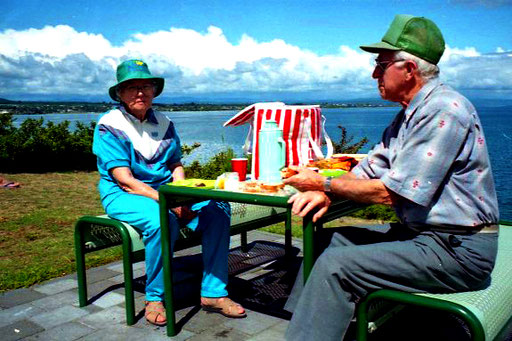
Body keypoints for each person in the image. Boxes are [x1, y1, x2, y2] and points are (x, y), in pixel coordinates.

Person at [283, 14, 499, 340]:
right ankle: (311, 327)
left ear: (409, 70)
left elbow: (392, 194)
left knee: (336, 266)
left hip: (458, 250)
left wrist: (321, 183)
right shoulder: (408, 115)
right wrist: (328, 193)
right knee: (326, 241)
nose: (373, 74)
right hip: (426, 237)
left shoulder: (444, 110)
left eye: (381, 65)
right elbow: (370, 167)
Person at [92, 59, 245, 326]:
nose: (140, 92)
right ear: (119, 93)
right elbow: (125, 180)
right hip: (123, 194)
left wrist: (181, 193)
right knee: (162, 220)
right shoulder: (109, 125)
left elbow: (175, 164)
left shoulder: (164, 122)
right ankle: (155, 297)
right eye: (131, 87)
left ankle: (213, 293)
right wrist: (170, 202)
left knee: (218, 208)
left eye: (146, 86)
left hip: (166, 191)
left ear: (154, 90)